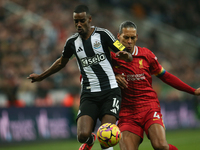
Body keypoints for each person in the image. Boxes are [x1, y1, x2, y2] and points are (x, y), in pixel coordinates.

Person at [27, 5, 133, 150]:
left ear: (89, 19)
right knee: (82, 135)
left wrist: (126, 55)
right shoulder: (72, 43)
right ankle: (90, 141)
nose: (78, 24)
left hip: (110, 91)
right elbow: (61, 62)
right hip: (89, 94)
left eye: (82, 21)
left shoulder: (103, 35)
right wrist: (41, 76)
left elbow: (125, 53)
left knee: (106, 134)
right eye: (76, 21)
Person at [111, 21, 200, 150]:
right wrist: (112, 77)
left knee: (160, 146)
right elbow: (88, 75)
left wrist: (192, 91)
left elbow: (166, 76)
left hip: (149, 106)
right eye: (126, 37)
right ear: (118, 37)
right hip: (127, 112)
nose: (129, 41)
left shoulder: (146, 55)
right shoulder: (111, 56)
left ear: (137, 37)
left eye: (132, 37)